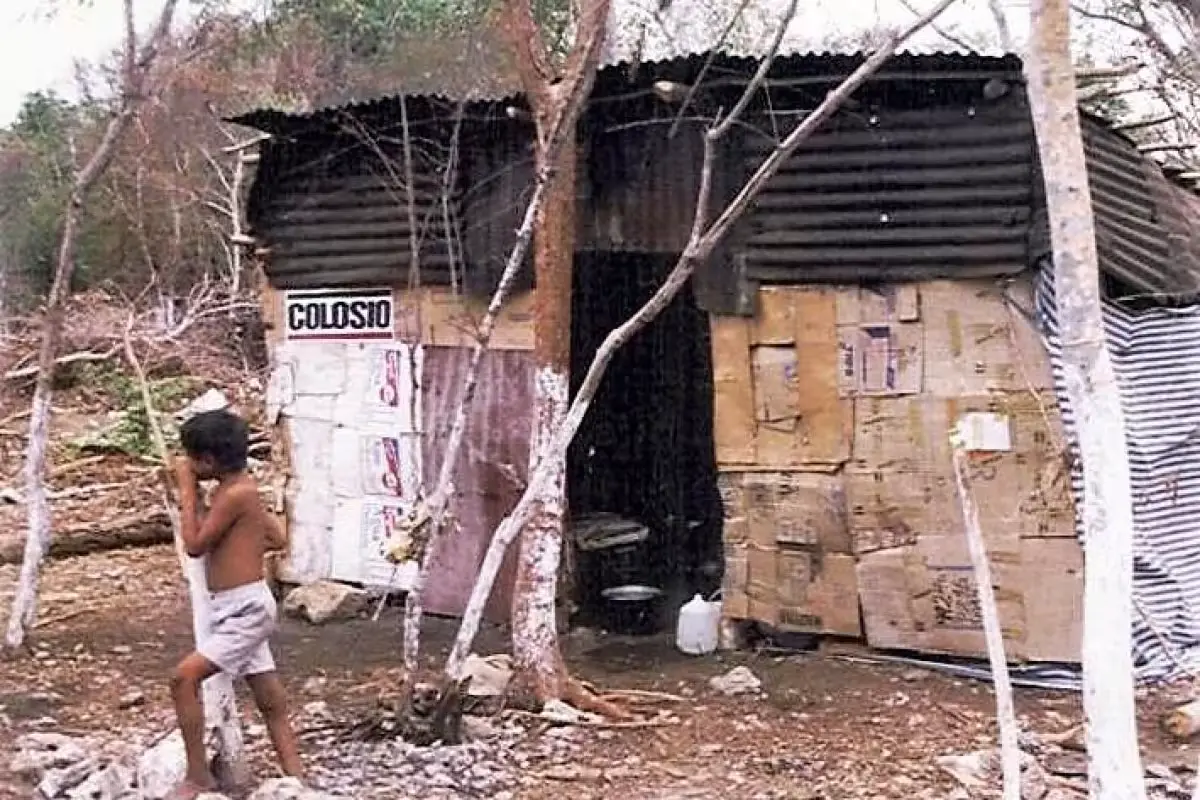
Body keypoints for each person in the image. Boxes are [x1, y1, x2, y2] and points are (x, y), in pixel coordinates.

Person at [169, 408, 303, 798]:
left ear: (207, 461)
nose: (189, 466)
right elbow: (276, 538)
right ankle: (296, 778)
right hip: (237, 604)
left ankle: (198, 776)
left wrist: (187, 490)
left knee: (183, 679)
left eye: (192, 460)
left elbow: (194, 546)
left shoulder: (236, 494)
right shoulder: (242, 491)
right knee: (269, 697)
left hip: (243, 609)